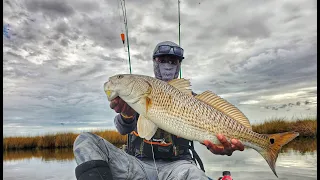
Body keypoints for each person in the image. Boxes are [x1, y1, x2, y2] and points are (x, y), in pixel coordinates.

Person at [73, 41, 244, 180]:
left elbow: (207, 136)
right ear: (154, 62)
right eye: (162, 60)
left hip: (179, 166)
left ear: (179, 64)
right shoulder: (140, 90)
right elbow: (122, 128)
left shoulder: (193, 99)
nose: (168, 65)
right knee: (85, 142)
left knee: (195, 175)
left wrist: (220, 147)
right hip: (136, 164)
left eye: (173, 61)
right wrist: (127, 114)